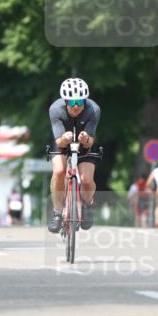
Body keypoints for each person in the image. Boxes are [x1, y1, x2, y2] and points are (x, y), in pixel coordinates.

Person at [47, 77, 100, 234]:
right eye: (71, 102)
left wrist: (86, 139)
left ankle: (87, 205)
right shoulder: (55, 109)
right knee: (59, 171)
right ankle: (57, 213)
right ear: (65, 101)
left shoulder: (93, 110)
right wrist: (64, 138)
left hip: (84, 145)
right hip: (62, 142)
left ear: (85, 101)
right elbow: (59, 141)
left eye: (80, 101)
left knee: (86, 180)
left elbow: (90, 142)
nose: (76, 106)